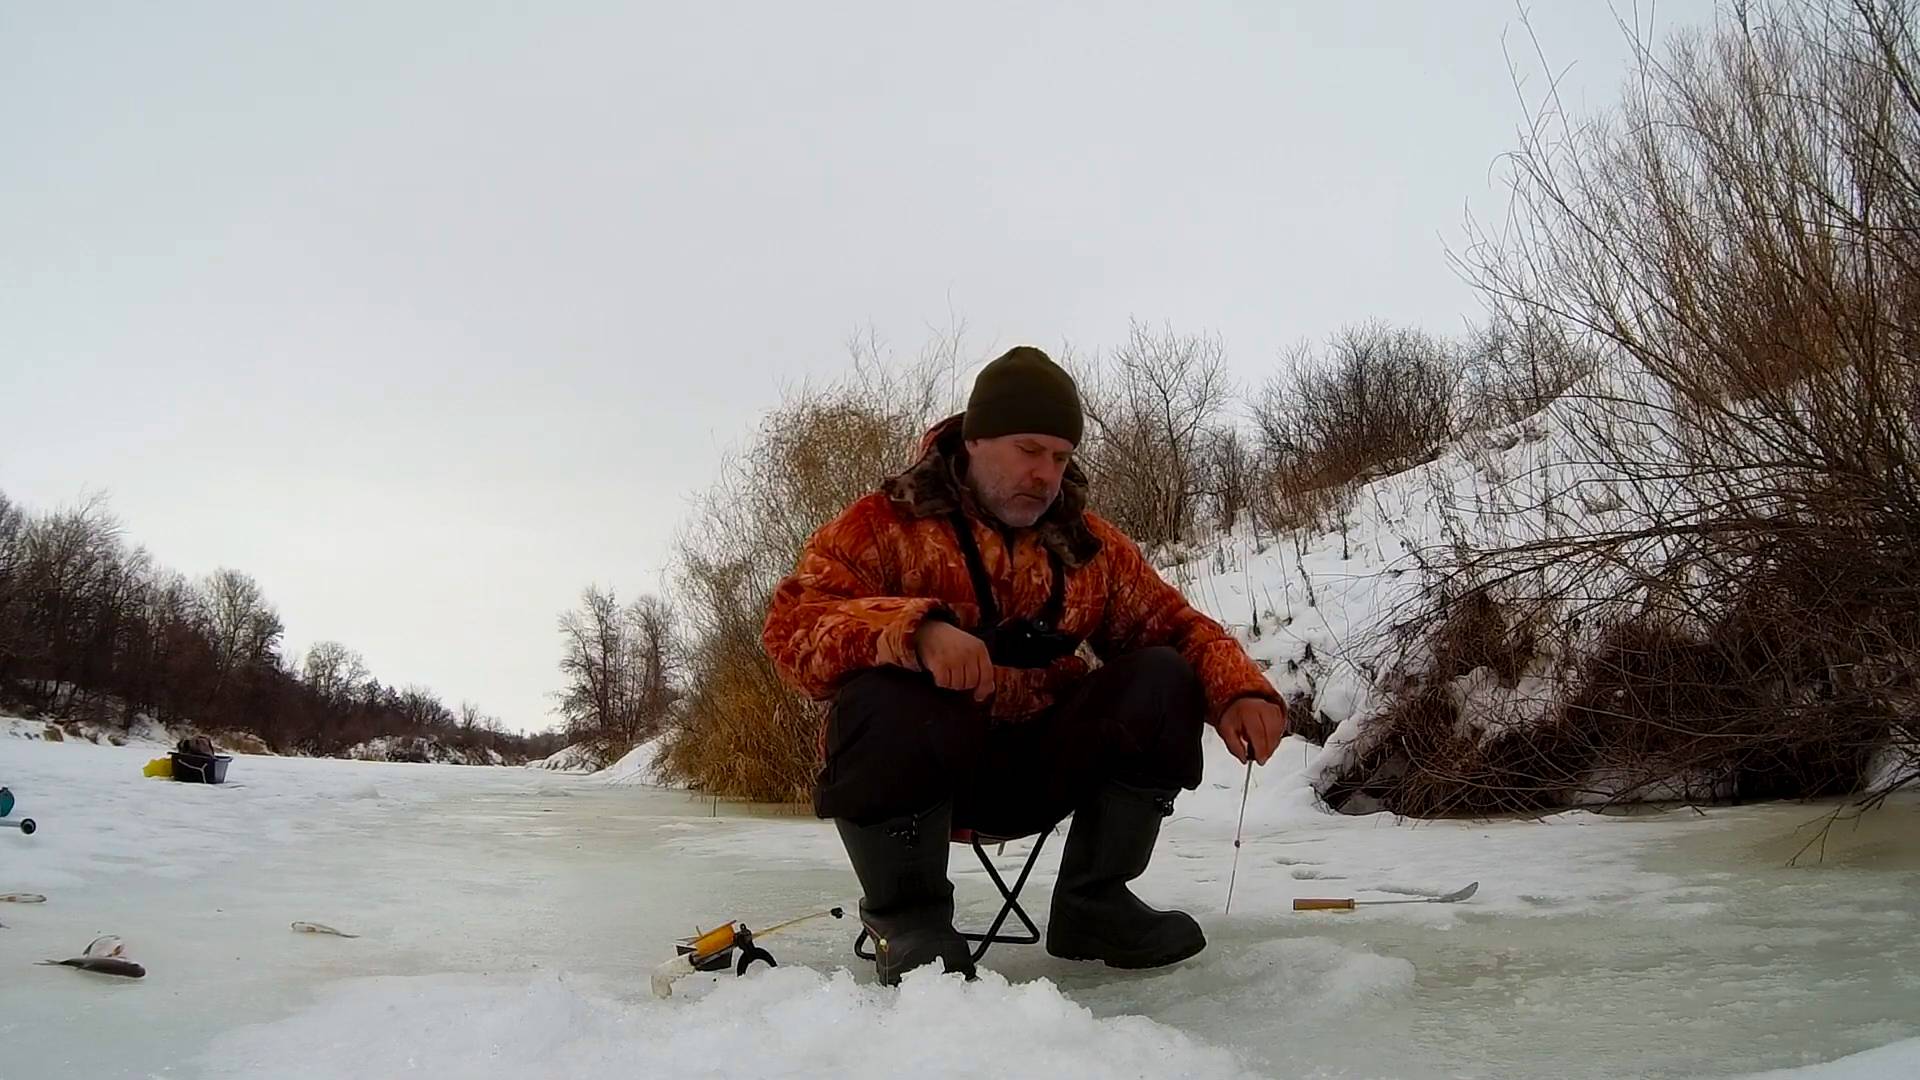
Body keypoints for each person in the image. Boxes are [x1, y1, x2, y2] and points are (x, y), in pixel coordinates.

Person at [762, 345, 1288, 985]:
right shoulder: (881, 525)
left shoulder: (1090, 545)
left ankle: (1092, 905)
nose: (1045, 474)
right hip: (926, 776)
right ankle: (907, 920)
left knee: (1162, 675)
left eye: (1061, 458)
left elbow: (1176, 626)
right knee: (883, 694)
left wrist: (1239, 692)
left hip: (1042, 769)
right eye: (1028, 449)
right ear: (976, 439)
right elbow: (794, 626)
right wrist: (916, 632)